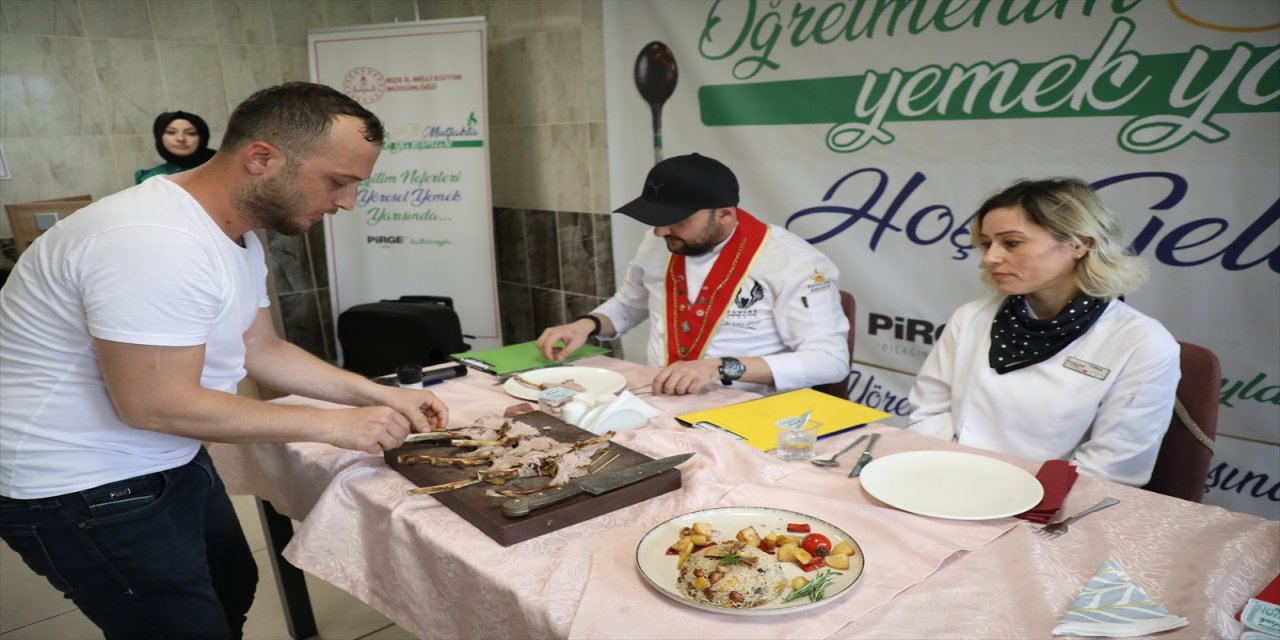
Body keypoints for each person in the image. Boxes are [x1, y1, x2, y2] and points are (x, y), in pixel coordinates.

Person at [0, 82, 448, 639]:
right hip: (81, 481)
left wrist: (377, 394)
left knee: (232, 584)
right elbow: (155, 405)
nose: (346, 202)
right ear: (261, 158)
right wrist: (334, 425)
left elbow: (262, 349)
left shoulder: (231, 232)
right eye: (339, 181)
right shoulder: (154, 240)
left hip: (168, 453)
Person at [906, 178, 1180, 486]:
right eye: (986, 244)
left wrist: (1021, 499)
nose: (989, 258)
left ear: (1079, 244)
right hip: (945, 478)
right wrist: (946, 477)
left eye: (1011, 243)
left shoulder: (1142, 343)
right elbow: (929, 413)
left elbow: (1112, 469)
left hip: (1048, 506)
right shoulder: (970, 318)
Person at [536, 153, 849, 395]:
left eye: (676, 220)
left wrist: (719, 368)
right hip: (661, 399)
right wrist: (585, 325)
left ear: (725, 213)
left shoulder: (794, 262)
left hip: (749, 411)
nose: (660, 231)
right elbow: (630, 304)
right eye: (654, 219)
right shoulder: (660, 242)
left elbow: (829, 361)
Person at [135, 110, 218, 184]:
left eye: (191, 133)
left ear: (203, 137)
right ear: (159, 136)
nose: (180, 138)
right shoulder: (148, 178)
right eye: (171, 132)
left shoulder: (222, 167)